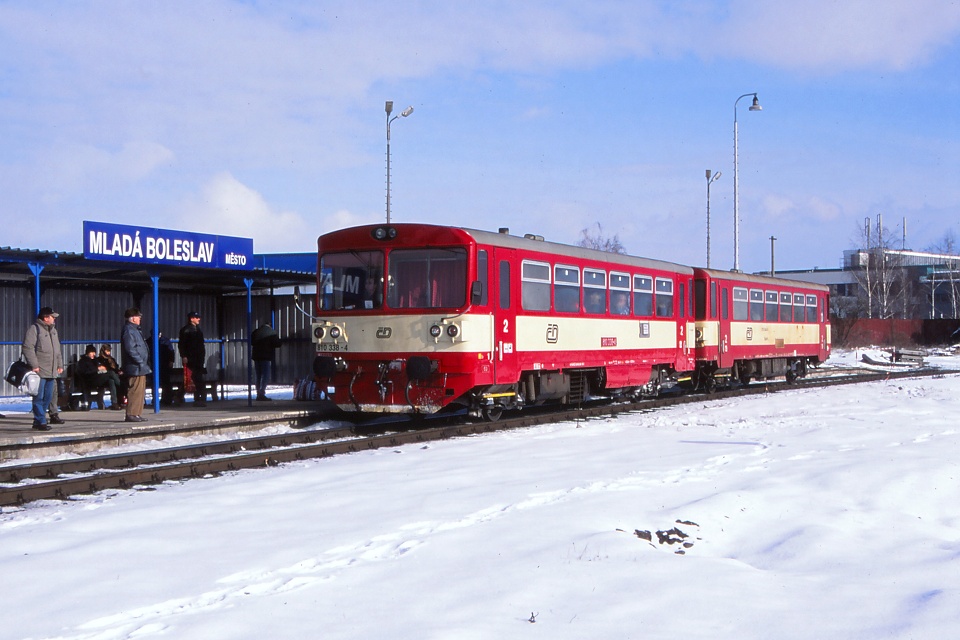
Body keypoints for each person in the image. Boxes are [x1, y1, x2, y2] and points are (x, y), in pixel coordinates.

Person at [22, 307, 64, 431]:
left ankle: (38, 419)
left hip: (51, 371)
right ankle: (41, 420)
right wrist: (34, 365)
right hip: (39, 371)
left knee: (48, 397)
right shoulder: (34, 329)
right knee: (38, 397)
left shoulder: (53, 331)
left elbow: (57, 350)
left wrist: (59, 365)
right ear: (46, 318)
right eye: (52, 316)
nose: (54, 319)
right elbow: (27, 347)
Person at [121, 307, 152, 422]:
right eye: (138, 317)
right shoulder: (129, 330)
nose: (140, 319)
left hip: (140, 366)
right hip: (135, 366)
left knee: (140, 391)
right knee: (135, 390)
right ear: (133, 318)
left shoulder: (135, 330)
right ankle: (131, 414)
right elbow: (130, 349)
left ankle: (137, 413)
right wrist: (140, 361)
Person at [76, 344, 122, 410]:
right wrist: (97, 369)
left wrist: (102, 369)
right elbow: (85, 372)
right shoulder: (83, 361)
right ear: (87, 353)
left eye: (94, 352)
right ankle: (122, 386)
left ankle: (114, 403)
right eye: (91, 352)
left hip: (97, 378)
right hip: (89, 381)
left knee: (111, 380)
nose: (93, 354)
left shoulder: (95, 360)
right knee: (111, 373)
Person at [179, 311, 207, 407]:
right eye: (197, 317)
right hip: (191, 358)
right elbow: (182, 345)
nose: (199, 319)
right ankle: (198, 398)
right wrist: (184, 356)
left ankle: (199, 398)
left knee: (197, 378)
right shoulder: (186, 330)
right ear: (192, 319)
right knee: (191, 378)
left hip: (198, 358)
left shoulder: (198, 330)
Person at [251, 321, 282, 401]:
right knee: (265, 375)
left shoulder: (256, 331)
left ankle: (258, 393)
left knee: (258, 375)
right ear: (270, 325)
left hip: (256, 357)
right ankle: (261, 393)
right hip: (265, 357)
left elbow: (252, 341)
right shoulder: (271, 332)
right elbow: (278, 343)